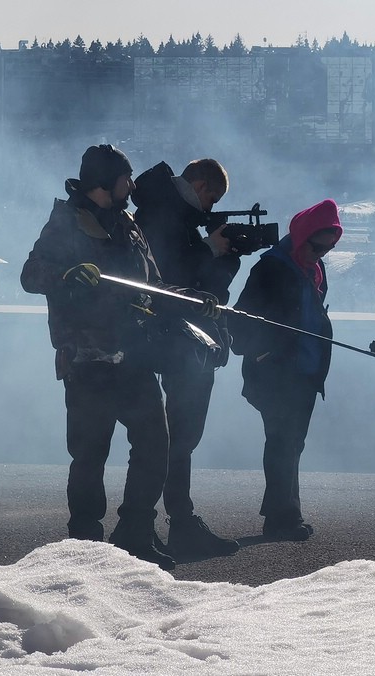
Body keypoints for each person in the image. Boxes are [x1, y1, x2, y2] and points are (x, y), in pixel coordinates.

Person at [20, 144, 217, 571]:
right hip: (88, 360)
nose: (131, 185)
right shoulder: (66, 223)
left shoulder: (128, 225)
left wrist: (191, 300)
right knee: (90, 455)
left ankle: (135, 534)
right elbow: (30, 274)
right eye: (126, 178)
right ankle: (85, 544)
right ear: (105, 181)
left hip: (136, 357)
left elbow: (154, 286)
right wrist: (67, 275)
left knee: (155, 445)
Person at [132, 158, 243, 558]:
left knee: (177, 435)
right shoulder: (166, 216)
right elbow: (175, 279)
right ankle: (173, 521)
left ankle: (166, 520)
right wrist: (214, 251)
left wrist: (223, 258)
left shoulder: (160, 209)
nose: (210, 209)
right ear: (198, 183)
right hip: (178, 337)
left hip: (177, 336)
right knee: (180, 435)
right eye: (210, 197)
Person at [230, 199, 342, 541]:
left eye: (327, 249)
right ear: (302, 235)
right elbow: (241, 318)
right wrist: (266, 350)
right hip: (277, 372)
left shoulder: (314, 269)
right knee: (283, 441)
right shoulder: (271, 268)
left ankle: (282, 512)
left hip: (306, 373)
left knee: (292, 442)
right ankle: (283, 517)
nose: (320, 254)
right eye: (317, 246)